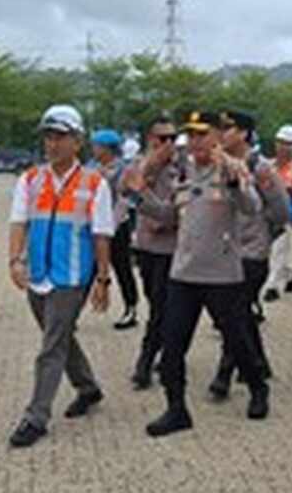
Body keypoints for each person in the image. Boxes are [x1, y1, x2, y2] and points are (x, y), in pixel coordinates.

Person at [128, 110, 270, 437]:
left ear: (218, 137)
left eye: (202, 133)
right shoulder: (184, 174)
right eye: (190, 135)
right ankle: (176, 409)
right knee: (172, 346)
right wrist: (139, 196)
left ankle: (258, 387)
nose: (195, 141)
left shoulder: (232, 170)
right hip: (184, 274)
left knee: (238, 341)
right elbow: (167, 214)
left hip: (223, 276)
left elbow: (252, 207)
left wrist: (235, 182)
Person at [6, 104, 113, 448]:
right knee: (60, 336)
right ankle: (88, 387)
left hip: (72, 277)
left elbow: (101, 235)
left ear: (77, 141)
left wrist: (102, 279)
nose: (52, 144)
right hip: (37, 273)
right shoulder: (31, 179)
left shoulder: (95, 184)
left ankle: (36, 416)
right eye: (48, 137)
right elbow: (18, 222)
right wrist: (15, 260)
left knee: (51, 346)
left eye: (60, 137)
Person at [207, 110, 290, 398]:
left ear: (243, 133)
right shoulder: (217, 165)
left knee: (234, 313)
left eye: (228, 128)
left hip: (252, 252)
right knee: (238, 313)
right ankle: (258, 362)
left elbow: (281, 210)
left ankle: (224, 374)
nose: (222, 134)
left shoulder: (260, 167)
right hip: (225, 251)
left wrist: (263, 232)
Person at [123, 115, 181, 390]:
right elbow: (127, 191)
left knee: (161, 307)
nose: (168, 144)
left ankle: (146, 362)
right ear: (150, 139)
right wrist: (150, 166)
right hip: (146, 245)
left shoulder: (183, 167)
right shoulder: (138, 165)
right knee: (156, 302)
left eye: (172, 138)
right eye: (162, 138)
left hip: (173, 247)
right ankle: (166, 348)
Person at [90, 128, 140, 330]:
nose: (93, 149)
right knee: (90, 269)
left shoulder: (124, 170)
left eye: (96, 146)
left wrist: (111, 225)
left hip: (117, 226)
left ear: (107, 149)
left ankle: (131, 308)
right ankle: (71, 310)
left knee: (122, 269)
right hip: (95, 227)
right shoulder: (92, 168)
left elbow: (125, 201)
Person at [261, 124, 292, 302]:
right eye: (281, 142)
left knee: (279, 250)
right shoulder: (267, 165)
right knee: (267, 252)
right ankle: (289, 275)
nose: (284, 147)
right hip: (265, 215)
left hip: (287, 214)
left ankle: (272, 286)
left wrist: (291, 189)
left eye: (288, 144)